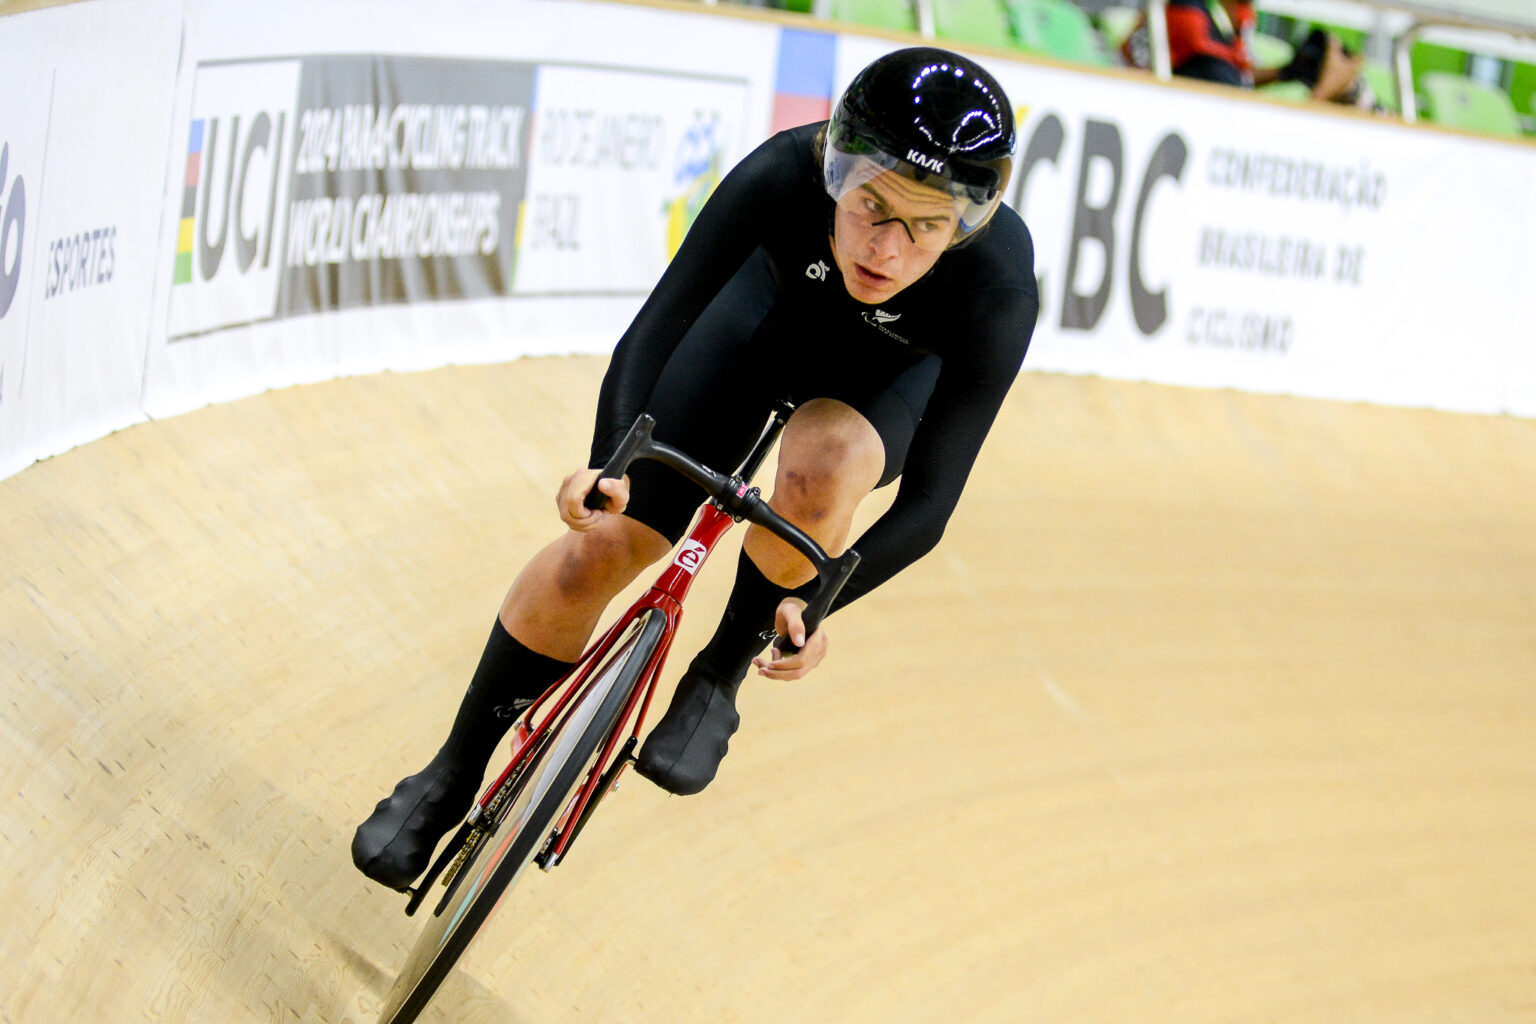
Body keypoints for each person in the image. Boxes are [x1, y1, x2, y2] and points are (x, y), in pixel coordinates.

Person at [352, 46, 1040, 892]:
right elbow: (655, 329)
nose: (889, 249)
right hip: (759, 332)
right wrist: (609, 466)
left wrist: (814, 604)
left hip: (879, 391)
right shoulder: (784, 171)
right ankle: (452, 772)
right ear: (838, 167)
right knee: (598, 551)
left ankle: (717, 674)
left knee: (827, 460)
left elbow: (932, 505)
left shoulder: (1000, 286)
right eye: (872, 206)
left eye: (925, 225)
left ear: (967, 223)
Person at [1122, 0, 1373, 106]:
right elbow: (1249, 138)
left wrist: (1284, 72)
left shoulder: (1219, 24)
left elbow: (1232, 77)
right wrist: (1328, 89)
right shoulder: (1187, 16)